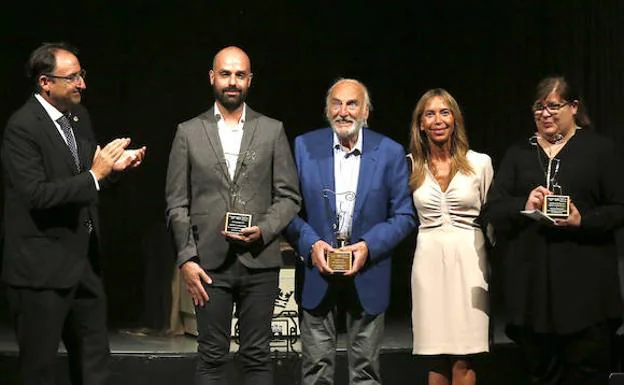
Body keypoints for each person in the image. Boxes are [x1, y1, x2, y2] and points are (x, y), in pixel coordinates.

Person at [1, 42, 146, 385]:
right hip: (40, 270)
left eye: (82, 75)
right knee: (38, 369)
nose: (82, 84)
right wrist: (96, 174)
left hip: (83, 264)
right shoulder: (22, 128)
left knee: (94, 364)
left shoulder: (78, 118)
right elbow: (36, 195)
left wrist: (114, 170)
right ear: (45, 83)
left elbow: (86, 183)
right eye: (73, 78)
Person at [165, 46, 301, 385]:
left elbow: (289, 196)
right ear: (212, 77)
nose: (232, 81)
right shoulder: (188, 132)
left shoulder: (271, 130)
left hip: (260, 259)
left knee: (257, 356)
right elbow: (176, 203)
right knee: (211, 356)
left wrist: (265, 229)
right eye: (225, 74)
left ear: (250, 80)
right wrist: (186, 258)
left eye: (240, 75)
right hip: (209, 264)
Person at [485, 76, 624, 385]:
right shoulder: (519, 153)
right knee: (541, 376)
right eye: (539, 107)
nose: (545, 113)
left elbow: (619, 209)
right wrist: (525, 204)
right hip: (533, 293)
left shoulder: (599, 149)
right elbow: (494, 208)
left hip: (585, 292)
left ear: (574, 107)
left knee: (587, 375)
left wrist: (582, 221)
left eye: (553, 106)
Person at [285, 78, 416, 385]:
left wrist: (368, 247)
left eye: (352, 104)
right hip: (318, 270)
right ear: (327, 110)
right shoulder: (304, 146)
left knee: (366, 374)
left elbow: (405, 215)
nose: (344, 112)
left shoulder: (390, 152)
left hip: (368, 271)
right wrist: (311, 243)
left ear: (366, 111)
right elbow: (287, 208)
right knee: (315, 372)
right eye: (337, 103)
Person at [408, 88, 493, 385]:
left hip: (469, 259)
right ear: (421, 124)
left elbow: (492, 218)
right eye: (429, 114)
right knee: (436, 357)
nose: (438, 120)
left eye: (445, 112)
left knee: (464, 356)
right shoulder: (409, 166)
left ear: (455, 120)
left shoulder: (480, 163)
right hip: (428, 260)